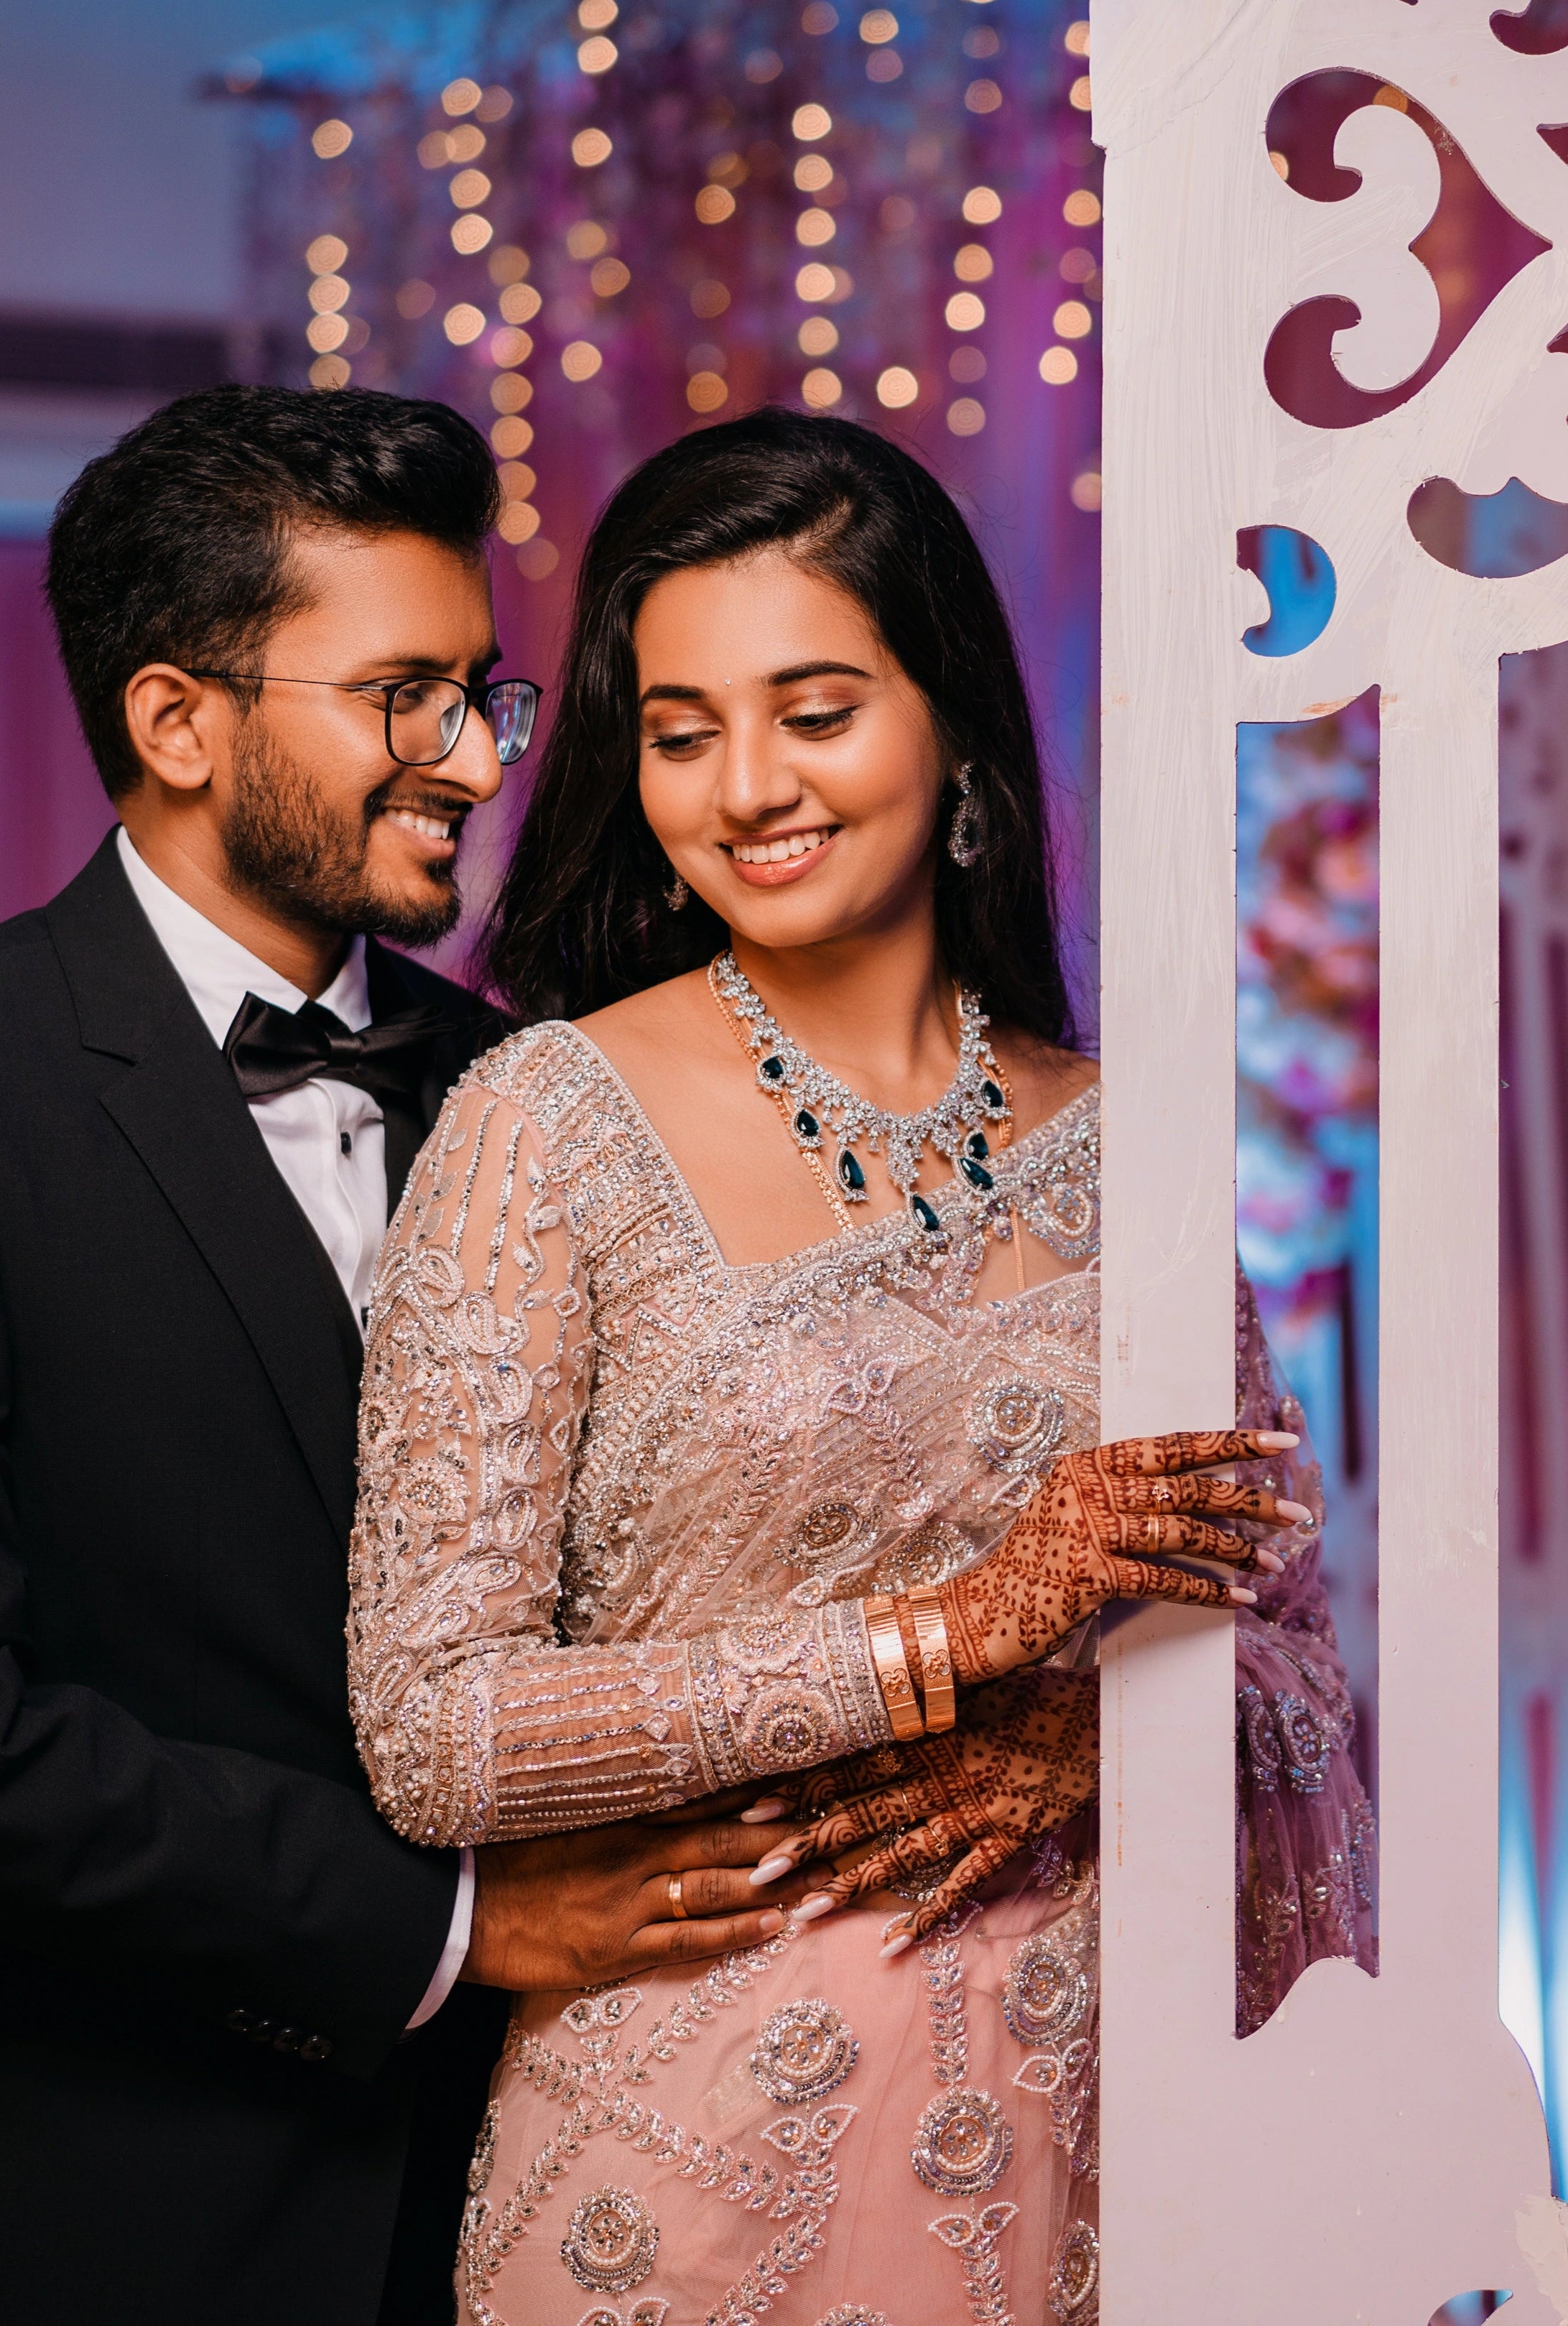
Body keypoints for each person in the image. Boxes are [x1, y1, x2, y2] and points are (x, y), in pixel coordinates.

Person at [348, 407, 1376, 2323]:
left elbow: (1290, 1654)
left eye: (814, 713)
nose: (748, 789)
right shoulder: (544, 1124)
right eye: (681, 735)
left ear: (955, 728)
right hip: (690, 2148)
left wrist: (1100, 1737)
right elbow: (439, 1726)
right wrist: (954, 1638)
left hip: (1113, 2135)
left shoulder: (1136, 1145)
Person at [0, 384, 803, 2326]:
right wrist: (444, 1925)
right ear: (178, 721)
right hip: (125, 2212)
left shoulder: (543, 1087)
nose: (477, 761)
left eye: (480, 696)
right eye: (403, 698)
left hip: (590, 2178)